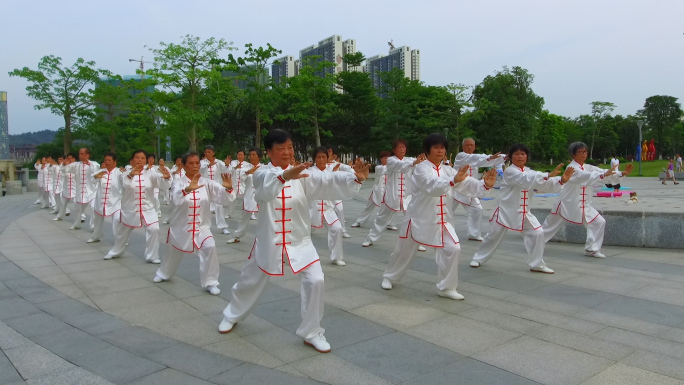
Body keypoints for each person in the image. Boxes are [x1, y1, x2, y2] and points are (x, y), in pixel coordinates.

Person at [219, 129, 369, 354]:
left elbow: (326, 180)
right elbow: (266, 191)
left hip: (300, 241)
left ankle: (312, 332)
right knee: (248, 282)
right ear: (269, 152)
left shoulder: (302, 173)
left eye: (290, 147)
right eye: (281, 149)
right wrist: (285, 176)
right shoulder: (261, 174)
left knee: (316, 280)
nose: (287, 152)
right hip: (269, 242)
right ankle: (232, 315)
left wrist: (355, 178)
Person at [381, 134, 495, 300]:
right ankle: (389, 276)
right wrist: (452, 181)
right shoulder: (421, 168)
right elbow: (432, 186)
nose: (440, 151)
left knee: (453, 248)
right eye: (436, 147)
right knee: (403, 252)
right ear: (427, 150)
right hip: (418, 219)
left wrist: (485, 185)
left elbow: (465, 183)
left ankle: (446, 287)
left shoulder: (448, 169)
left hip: (442, 220)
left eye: (442, 147)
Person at [470, 144, 574, 273]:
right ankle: (478, 258)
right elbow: (526, 179)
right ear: (511, 157)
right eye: (517, 154)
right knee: (492, 237)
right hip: (504, 211)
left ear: (527, 156)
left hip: (523, 212)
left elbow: (542, 184)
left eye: (523, 154)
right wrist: (547, 175)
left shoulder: (530, 172)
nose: (520, 156)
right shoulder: (509, 171)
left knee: (538, 233)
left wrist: (561, 180)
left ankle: (537, 264)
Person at [153, 152, 236, 295]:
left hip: (201, 227)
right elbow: (175, 199)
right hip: (180, 227)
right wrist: (188, 189)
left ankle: (210, 282)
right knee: (172, 253)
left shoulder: (207, 182)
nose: (195, 166)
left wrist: (228, 188)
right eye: (191, 163)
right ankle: (164, 273)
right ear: (183, 165)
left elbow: (223, 197)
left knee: (210, 247)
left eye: (197, 162)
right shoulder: (178, 182)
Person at [542, 142, 632, 258]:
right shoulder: (572, 168)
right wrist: (604, 174)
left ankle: (592, 249)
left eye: (585, 152)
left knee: (599, 222)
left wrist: (621, 173)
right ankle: (533, 242)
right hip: (566, 204)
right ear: (573, 154)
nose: (583, 154)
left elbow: (600, 172)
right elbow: (586, 177)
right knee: (549, 227)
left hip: (583, 205)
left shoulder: (588, 167)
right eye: (580, 152)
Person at [104, 150, 171, 262]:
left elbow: (163, 185)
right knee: (122, 233)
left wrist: (166, 177)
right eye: (137, 157)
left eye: (142, 158)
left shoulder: (151, 174)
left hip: (148, 209)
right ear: (131, 160)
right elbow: (124, 184)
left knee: (154, 229)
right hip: (130, 209)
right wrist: (131, 175)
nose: (140, 160)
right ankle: (116, 251)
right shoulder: (124, 174)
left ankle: (152, 256)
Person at [362, 139, 425, 247]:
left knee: (413, 219)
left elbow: (419, 166)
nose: (402, 149)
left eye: (404, 147)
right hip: (391, 196)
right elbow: (401, 167)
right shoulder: (391, 160)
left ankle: (417, 243)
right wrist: (414, 162)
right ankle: (370, 238)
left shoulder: (409, 159)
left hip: (407, 197)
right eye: (400, 147)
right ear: (394, 150)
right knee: (381, 219)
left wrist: (422, 160)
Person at [451, 138, 505, 241]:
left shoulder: (477, 159)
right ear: (463, 147)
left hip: (469, 190)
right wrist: (489, 157)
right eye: (467, 145)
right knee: (446, 211)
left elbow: (482, 161)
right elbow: (475, 159)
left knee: (477, 209)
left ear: (475, 147)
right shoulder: (460, 156)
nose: (469, 147)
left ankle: (474, 233)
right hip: (456, 188)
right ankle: (441, 231)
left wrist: (503, 157)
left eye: (472, 145)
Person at [309, 147, 349, 266]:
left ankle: (336, 257)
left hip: (327, 209)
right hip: (311, 209)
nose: (321, 159)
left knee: (337, 229)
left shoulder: (331, 172)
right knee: (303, 234)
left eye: (323, 157)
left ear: (327, 159)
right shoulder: (309, 172)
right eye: (318, 157)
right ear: (314, 159)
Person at [351, 151, 396, 228]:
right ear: (381, 159)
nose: (386, 160)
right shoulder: (378, 167)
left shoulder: (393, 168)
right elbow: (384, 170)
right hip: (377, 191)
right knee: (368, 207)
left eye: (388, 158)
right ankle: (359, 221)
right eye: (384, 158)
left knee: (392, 208)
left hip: (388, 192)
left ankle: (391, 224)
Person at [226, 148, 262, 244]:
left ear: (259, 157)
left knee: (266, 217)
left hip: (262, 197)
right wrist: (248, 172)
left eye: (254, 155)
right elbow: (241, 179)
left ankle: (266, 238)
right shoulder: (245, 168)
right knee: (243, 218)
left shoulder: (264, 168)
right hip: (249, 196)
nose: (251, 157)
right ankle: (237, 236)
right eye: (250, 155)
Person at [88, 152, 123, 244]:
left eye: (109, 160)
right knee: (97, 220)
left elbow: (126, 182)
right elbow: (91, 182)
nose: (107, 162)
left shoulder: (119, 173)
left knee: (117, 220)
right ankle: (96, 236)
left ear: (115, 162)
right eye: (105, 160)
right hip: (100, 201)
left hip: (115, 202)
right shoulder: (100, 172)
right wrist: (96, 177)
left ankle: (120, 239)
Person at [64, 148, 100, 230]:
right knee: (78, 209)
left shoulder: (94, 164)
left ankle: (94, 226)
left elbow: (97, 173)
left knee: (93, 208)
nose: (80, 155)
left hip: (91, 191)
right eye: (79, 154)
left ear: (87, 155)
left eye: (82, 154)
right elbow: (65, 170)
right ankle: (77, 224)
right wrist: (64, 165)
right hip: (80, 192)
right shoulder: (76, 165)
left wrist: (88, 164)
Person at [200, 145, 231, 234]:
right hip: (205, 188)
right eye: (206, 152)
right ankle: (203, 226)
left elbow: (226, 171)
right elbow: (200, 171)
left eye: (209, 152)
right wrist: (209, 165)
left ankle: (223, 227)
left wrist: (227, 165)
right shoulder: (202, 163)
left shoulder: (219, 162)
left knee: (219, 206)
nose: (207, 153)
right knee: (204, 207)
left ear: (213, 153)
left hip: (216, 188)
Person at [54, 154, 76, 221]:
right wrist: (64, 165)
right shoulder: (64, 166)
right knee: (63, 203)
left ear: (74, 159)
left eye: (70, 158)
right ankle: (60, 216)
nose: (69, 160)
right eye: (68, 158)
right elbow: (62, 171)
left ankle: (82, 217)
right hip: (66, 188)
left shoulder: (77, 166)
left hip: (75, 188)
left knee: (78, 204)